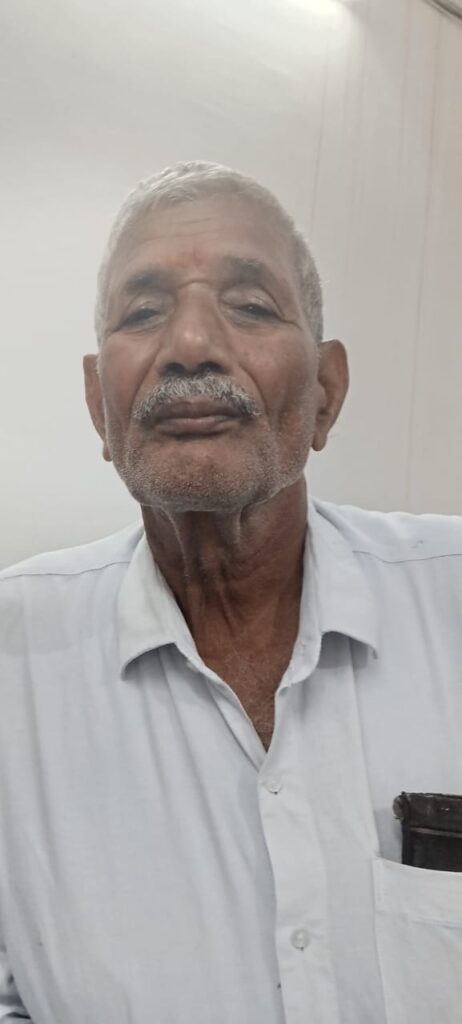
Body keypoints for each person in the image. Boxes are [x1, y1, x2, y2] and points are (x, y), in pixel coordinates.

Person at [1, 161, 462, 1024]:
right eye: (143, 312)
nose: (190, 343)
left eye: (250, 305)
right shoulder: (14, 661)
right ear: (99, 407)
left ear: (325, 393)